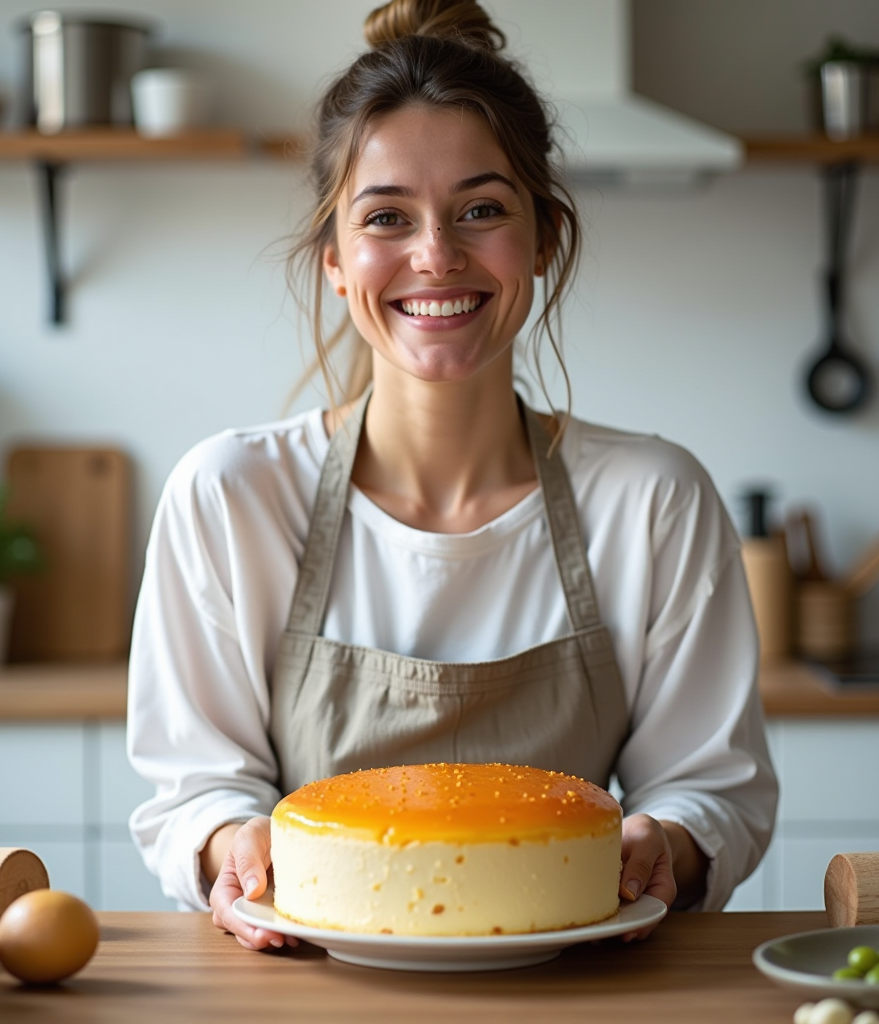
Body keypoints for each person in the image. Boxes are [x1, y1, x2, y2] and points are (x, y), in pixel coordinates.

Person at [127, 0, 778, 951]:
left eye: (481, 209)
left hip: (578, 992)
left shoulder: (653, 500)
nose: (436, 255)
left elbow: (711, 786)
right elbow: (194, 788)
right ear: (336, 262)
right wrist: (233, 842)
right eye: (387, 217)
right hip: (309, 992)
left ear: (543, 239)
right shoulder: (229, 496)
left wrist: (665, 842)